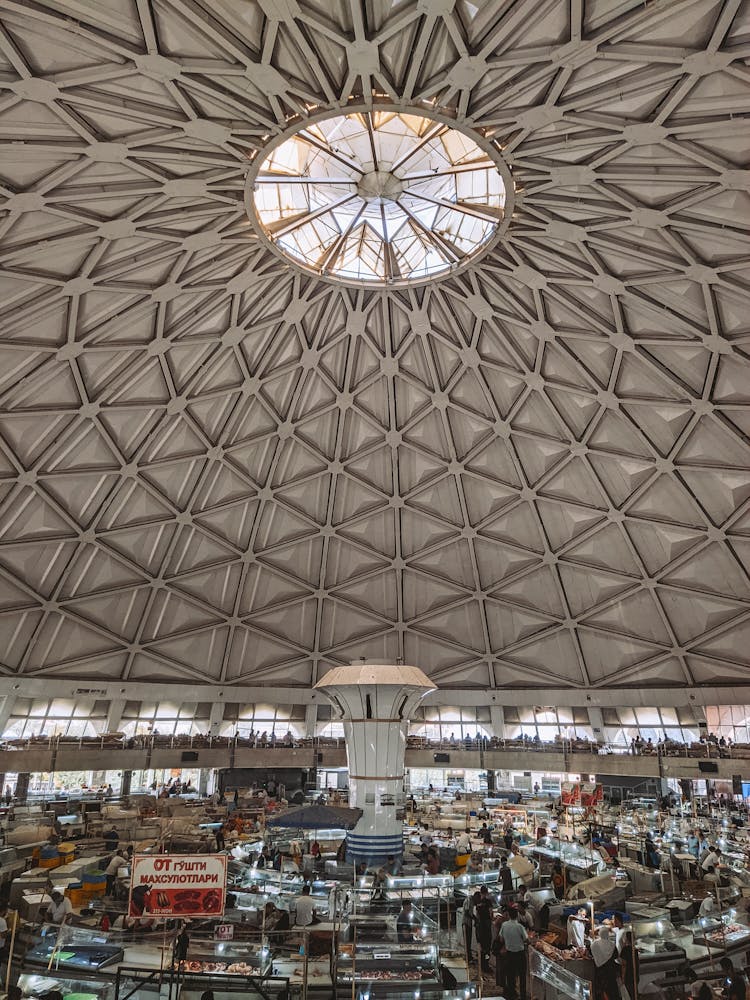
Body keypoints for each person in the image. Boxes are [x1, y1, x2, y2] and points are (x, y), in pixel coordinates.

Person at [499, 907, 528, 1000]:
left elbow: (501, 939)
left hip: (509, 954)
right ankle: (523, 996)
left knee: (510, 975)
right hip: (520, 954)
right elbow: (527, 940)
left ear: (509, 915)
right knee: (522, 976)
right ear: (517, 916)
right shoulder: (520, 927)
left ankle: (512, 994)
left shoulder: (504, 925)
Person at [591, 926, 620, 1000]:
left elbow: (592, 954)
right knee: (611, 989)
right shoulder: (612, 944)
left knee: (602, 989)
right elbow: (616, 955)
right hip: (611, 970)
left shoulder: (595, 944)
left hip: (600, 971)